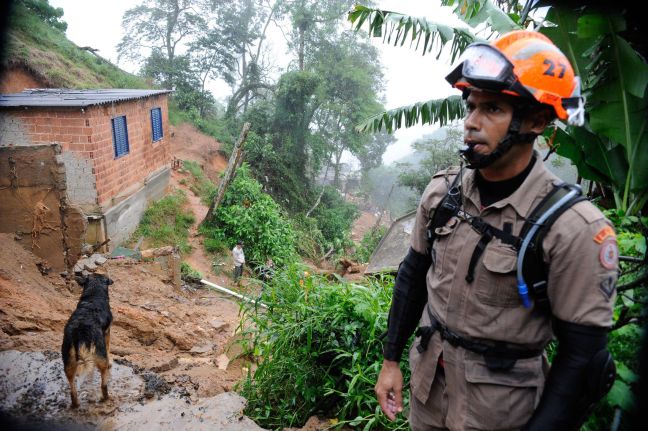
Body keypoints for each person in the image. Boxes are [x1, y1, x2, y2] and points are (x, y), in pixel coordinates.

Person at [375, 30, 618, 430]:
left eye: (492, 110)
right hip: (428, 395)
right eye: (471, 107)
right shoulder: (442, 194)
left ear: (537, 120)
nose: (471, 122)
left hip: (500, 413)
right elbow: (411, 277)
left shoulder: (573, 229)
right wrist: (390, 362)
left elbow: (582, 359)